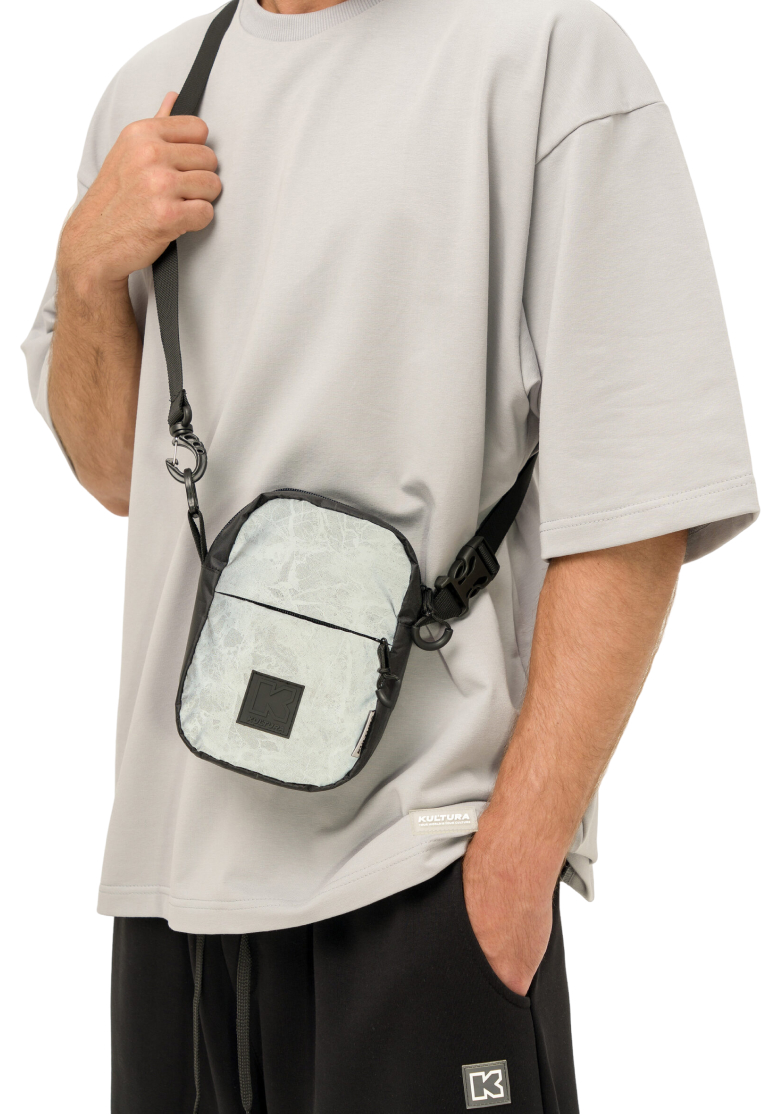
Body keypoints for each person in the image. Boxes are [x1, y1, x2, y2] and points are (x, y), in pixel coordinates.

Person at [23, 0, 758, 1111]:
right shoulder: (151, 93)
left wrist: (509, 879)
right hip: (171, 893)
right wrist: (86, 271)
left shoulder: (548, 57)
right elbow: (114, 469)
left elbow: (639, 499)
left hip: (421, 879)